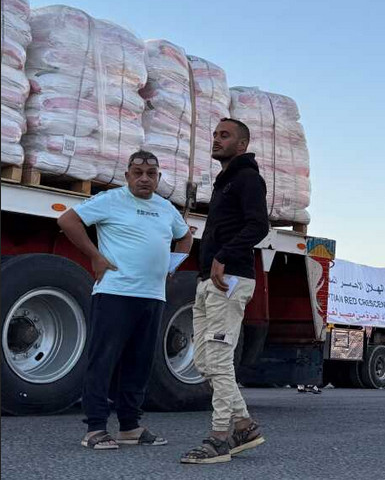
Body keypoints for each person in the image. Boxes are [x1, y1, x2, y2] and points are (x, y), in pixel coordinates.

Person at [57, 150, 193, 450]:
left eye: (151, 173)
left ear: (159, 177)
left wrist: (172, 265)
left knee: (139, 363)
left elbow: (185, 237)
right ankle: (95, 428)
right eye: (138, 172)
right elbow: (68, 220)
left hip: (152, 296)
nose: (145, 178)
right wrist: (95, 257)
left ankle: (130, 427)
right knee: (103, 361)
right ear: (127, 175)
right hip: (115, 293)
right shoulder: (111, 200)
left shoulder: (166, 208)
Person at [181, 118, 270, 464]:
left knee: (218, 359)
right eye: (215, 134)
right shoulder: (224, 182)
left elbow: (258, 225)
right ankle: (245, 425)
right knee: (204, 362)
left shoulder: (248, 179)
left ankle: (220, 438)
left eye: (225, 135)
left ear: (242, 144)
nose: (216, 140)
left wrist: (223, 255)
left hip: (230, 279)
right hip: (210, 281)